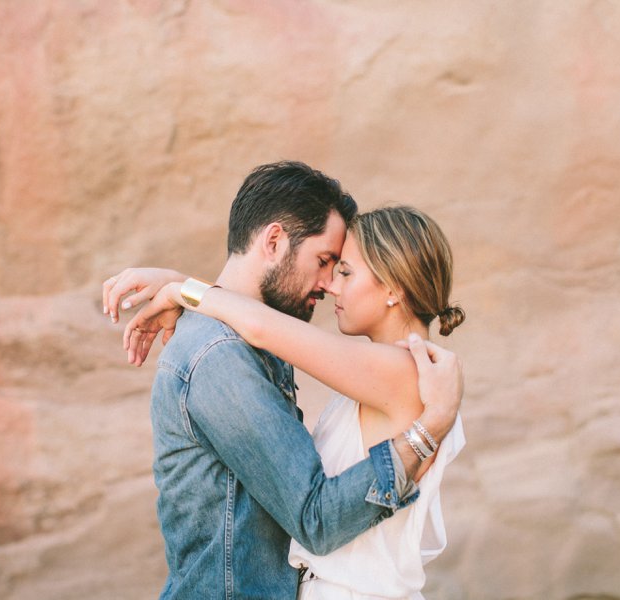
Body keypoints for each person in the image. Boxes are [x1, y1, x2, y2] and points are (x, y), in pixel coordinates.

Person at [103, 162, 464, 599]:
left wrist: (185, 290)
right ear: (274, 241)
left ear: (393, 289)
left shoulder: (401, 369)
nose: (330, 284)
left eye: (343, 270)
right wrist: (183, 287)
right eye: (326, 263)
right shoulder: (222, 354)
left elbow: (262, 328)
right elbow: (258, 327)